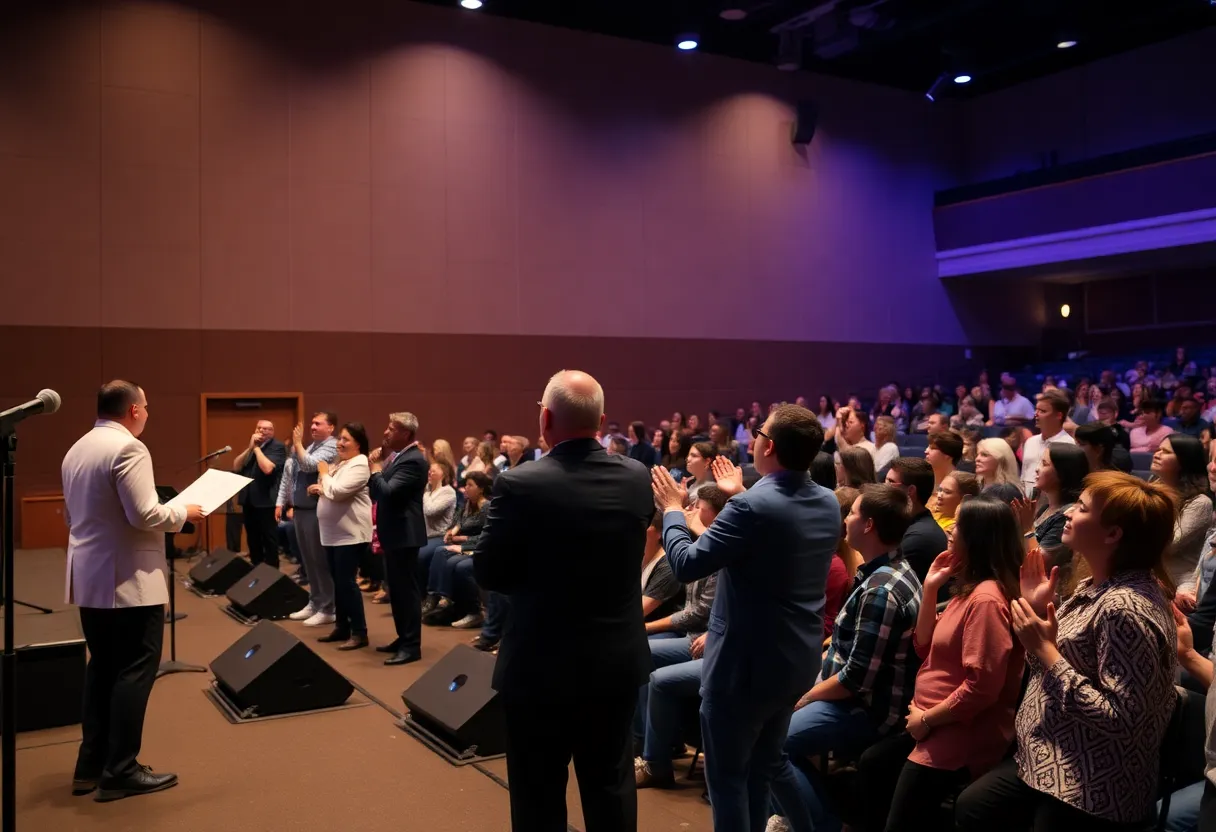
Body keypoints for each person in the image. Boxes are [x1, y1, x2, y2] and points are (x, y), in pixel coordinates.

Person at [474, 370, 654, 832]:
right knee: (610, 787)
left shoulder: (519, 483)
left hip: (539, 664)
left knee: (538, 793)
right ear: (602, 420)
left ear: (546, 418)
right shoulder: (637, 478)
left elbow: (489, 572)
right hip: (614, 663)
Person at [652, 404, 840, 832]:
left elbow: (685, 564)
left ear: (768, 444)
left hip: (742, 666)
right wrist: (738, 494)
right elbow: (775, 533)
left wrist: (672, 510)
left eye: (758, 432)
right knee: (760, 771)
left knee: (728, 782)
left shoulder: (751, 508)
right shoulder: (828, 502)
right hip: (795, 662)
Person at [956, 471, 1179, 831]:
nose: (1069, 513)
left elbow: (1123, 720)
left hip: (1091, 785)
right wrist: (1036, 618)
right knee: (973, 806)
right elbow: (1049, 666)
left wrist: (1045, 650)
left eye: (1083, 508)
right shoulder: (1098, 584)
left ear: (1113, 534)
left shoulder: (1125, 607)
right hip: (1049, 756)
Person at [62, 380, 204, 801]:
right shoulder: (128, 448)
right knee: (135, 669)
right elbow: (145, 513)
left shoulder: (77, 448)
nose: (147, 412)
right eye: (146, 406)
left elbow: (71, 515)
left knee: (102, 667)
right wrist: (185, 512)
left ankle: (90, 765)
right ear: (134, 410)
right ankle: (121, 769)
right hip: (128, 581)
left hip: (90, 576)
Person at [856, 497, 1025, 832]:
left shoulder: (987, 600)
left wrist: (927, 720)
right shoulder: (968, 588)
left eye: (958, 524)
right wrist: (930, 588)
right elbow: (923, 646)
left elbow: (983, 687)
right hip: (933, 718)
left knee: (898, 818)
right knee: (873, 765)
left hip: (958, 728)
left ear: (977, 536)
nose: (949, 528)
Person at [368, 412, 428, 666]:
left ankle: (411, 646)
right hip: (394, 534)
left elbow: (388, 493)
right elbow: (376, 491)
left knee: (407, 593)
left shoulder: (414, 460)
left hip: (405, 535)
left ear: (406, 433)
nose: (385, 432)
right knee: (396, 590)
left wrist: (376, 470)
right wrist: (378, 472)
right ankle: (402, 638)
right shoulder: (398, 457)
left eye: (391, 429)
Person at [309, 422, 372, 651]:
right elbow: (329, 488)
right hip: (333, 533)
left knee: (347, 583)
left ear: (358, 444)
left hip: (351, 534)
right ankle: (342, 627)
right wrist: (321, 485)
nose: (340, 443)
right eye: (340, 439)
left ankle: (359, 632)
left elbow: (336, 492)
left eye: (346, 439)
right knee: (339, 583)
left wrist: (324, 476)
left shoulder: (360, 464)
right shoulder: (343, 463)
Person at [277, 412, 339, 628]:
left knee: (319, 560)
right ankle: (315, 601)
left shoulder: (331, 446)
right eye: (311, 423)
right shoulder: (311, 445)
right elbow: (290, 474)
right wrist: (282, 502)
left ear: (330, 427)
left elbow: (309, 466)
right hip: (301, 510)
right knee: (307, 560)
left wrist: (296, 444)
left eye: (317, 423)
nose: (312, 427)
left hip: (316, 509)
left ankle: (329, 608)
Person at [231, 419, 287, 569]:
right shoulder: (252, 448)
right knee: (253, 538)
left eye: (267, 429)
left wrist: (256, 449)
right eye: (259, 428)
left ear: (272, 432)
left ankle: (272, 572)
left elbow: (268, 469)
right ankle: (256, 568)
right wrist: (250, 449)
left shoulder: (278, 447)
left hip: (266, 501)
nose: (262, 431)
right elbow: (236, 466)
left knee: (269, 539)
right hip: (249, 501)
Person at [885, 457, 947, 582]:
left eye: (890, 482)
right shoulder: (908, 524)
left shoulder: (919, 536)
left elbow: (885, 581)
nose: (883, 487)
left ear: (910, 491)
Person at [1019, 388, 1076, 496]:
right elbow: (1024, 477)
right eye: (1036, 409)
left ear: (1058, 416)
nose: (1036, 414)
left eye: (1043, 411)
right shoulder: (1030, 442)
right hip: (1027, 501)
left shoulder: (1069, 445)